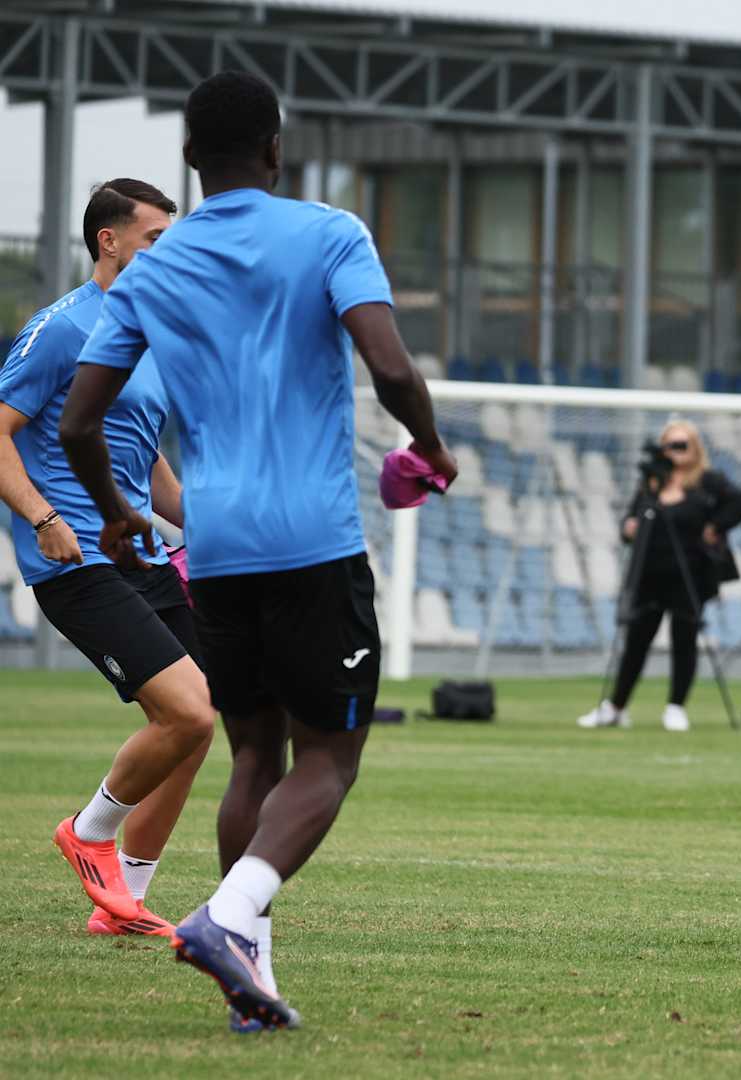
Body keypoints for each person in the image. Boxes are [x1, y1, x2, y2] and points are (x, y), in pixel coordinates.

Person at [60, 70, 456, 1032]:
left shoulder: (151, 270)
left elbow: (77, 423)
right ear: (277, 150)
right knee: (330, 760)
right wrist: (431, 447)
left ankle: (253, 982)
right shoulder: (329, 234)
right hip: (312, 541)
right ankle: (229, 915)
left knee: (252, 758)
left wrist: (116, 511)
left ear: (189, 158)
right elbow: (390, 365)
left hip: (217, 550)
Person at [1, 178, 214, 938]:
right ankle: (87, 832)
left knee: (198, 722)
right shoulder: (63, 327)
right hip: (77, 560)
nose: (168, 253)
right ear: (110, 241)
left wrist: (215, 528)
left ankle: (122, 904)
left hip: (140, 552)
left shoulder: (151, 333)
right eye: (156, 240)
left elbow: (144, 459)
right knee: (187, 709)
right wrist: (43, 516)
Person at [578, 419, 741, 732]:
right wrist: (628, 529)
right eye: (669, 445)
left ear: (695, 449)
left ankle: (676, 707)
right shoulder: (653, 482)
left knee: (684, 639)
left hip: (689, 575)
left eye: (681, 445)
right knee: (636, 642)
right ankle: (616, 707)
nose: (674, 451)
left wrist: (715, 526)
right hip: (649, 573)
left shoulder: (708, 482)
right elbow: (630, 521)